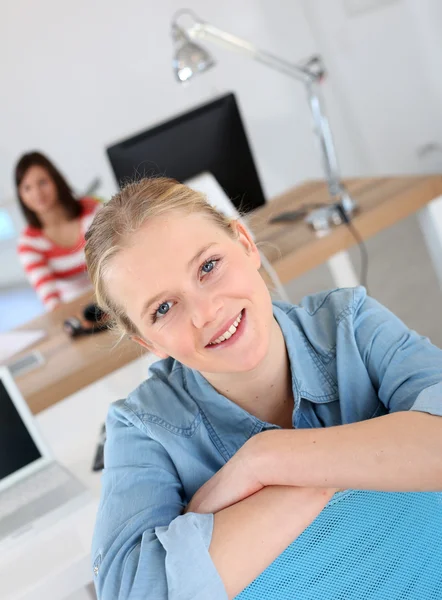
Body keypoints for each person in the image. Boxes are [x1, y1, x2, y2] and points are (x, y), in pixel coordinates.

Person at [85, 178, 442, 600]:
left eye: (208, 266)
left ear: (246, 244)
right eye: (163, 309)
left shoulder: (351, 323)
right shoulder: (142, 428)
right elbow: (136, 593)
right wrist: (334, 468)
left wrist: (263, 461)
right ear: (151, 343)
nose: (206, 312)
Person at [15, 151, 100, 310]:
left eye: (42, 182)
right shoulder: (28, 244)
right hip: (76, 310)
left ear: (56, 180)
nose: (37, 193)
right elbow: (50, 300)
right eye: (27, 188)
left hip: (113, 295)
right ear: (20, 195)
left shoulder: (91, 210)